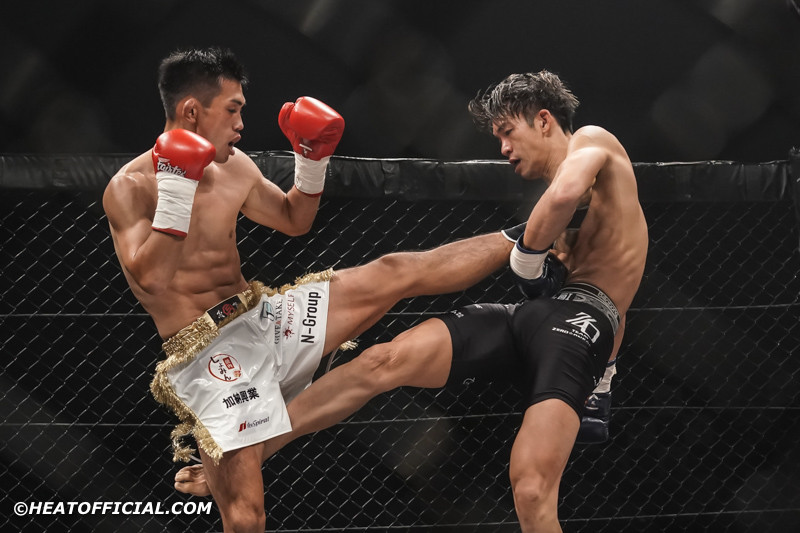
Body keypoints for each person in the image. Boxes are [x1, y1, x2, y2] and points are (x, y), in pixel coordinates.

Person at [176, 70, 648, 532]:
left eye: (508, 132)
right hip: (532, 317)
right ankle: (249, 453)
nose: (503, 149)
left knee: (530, 489)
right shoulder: (562, 207)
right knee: (380, 361)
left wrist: (529, 263)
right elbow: (562, 220)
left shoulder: (593, 141)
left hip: (579, 322)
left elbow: (567, 202)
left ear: (544, 120)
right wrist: (602, 366)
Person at [103, 46, 516, 532]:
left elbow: (293, 219)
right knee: (246, 514)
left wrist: (311, 160)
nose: (241, 124)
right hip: (212, 356)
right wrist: (177, 190)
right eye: (232, 110)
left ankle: (527, 238)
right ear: (192, 111)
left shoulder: (235, 166)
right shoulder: (132, 186)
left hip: (264, 319)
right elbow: (150, 278)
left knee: (395, 270)